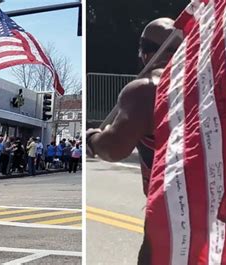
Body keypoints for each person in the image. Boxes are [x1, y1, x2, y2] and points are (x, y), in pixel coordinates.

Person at [86, 18, 182, 264]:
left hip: (172, 209)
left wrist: (93, 139)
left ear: (145, 52)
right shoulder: (208, 83)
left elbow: (115, 148)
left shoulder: (146, 89)